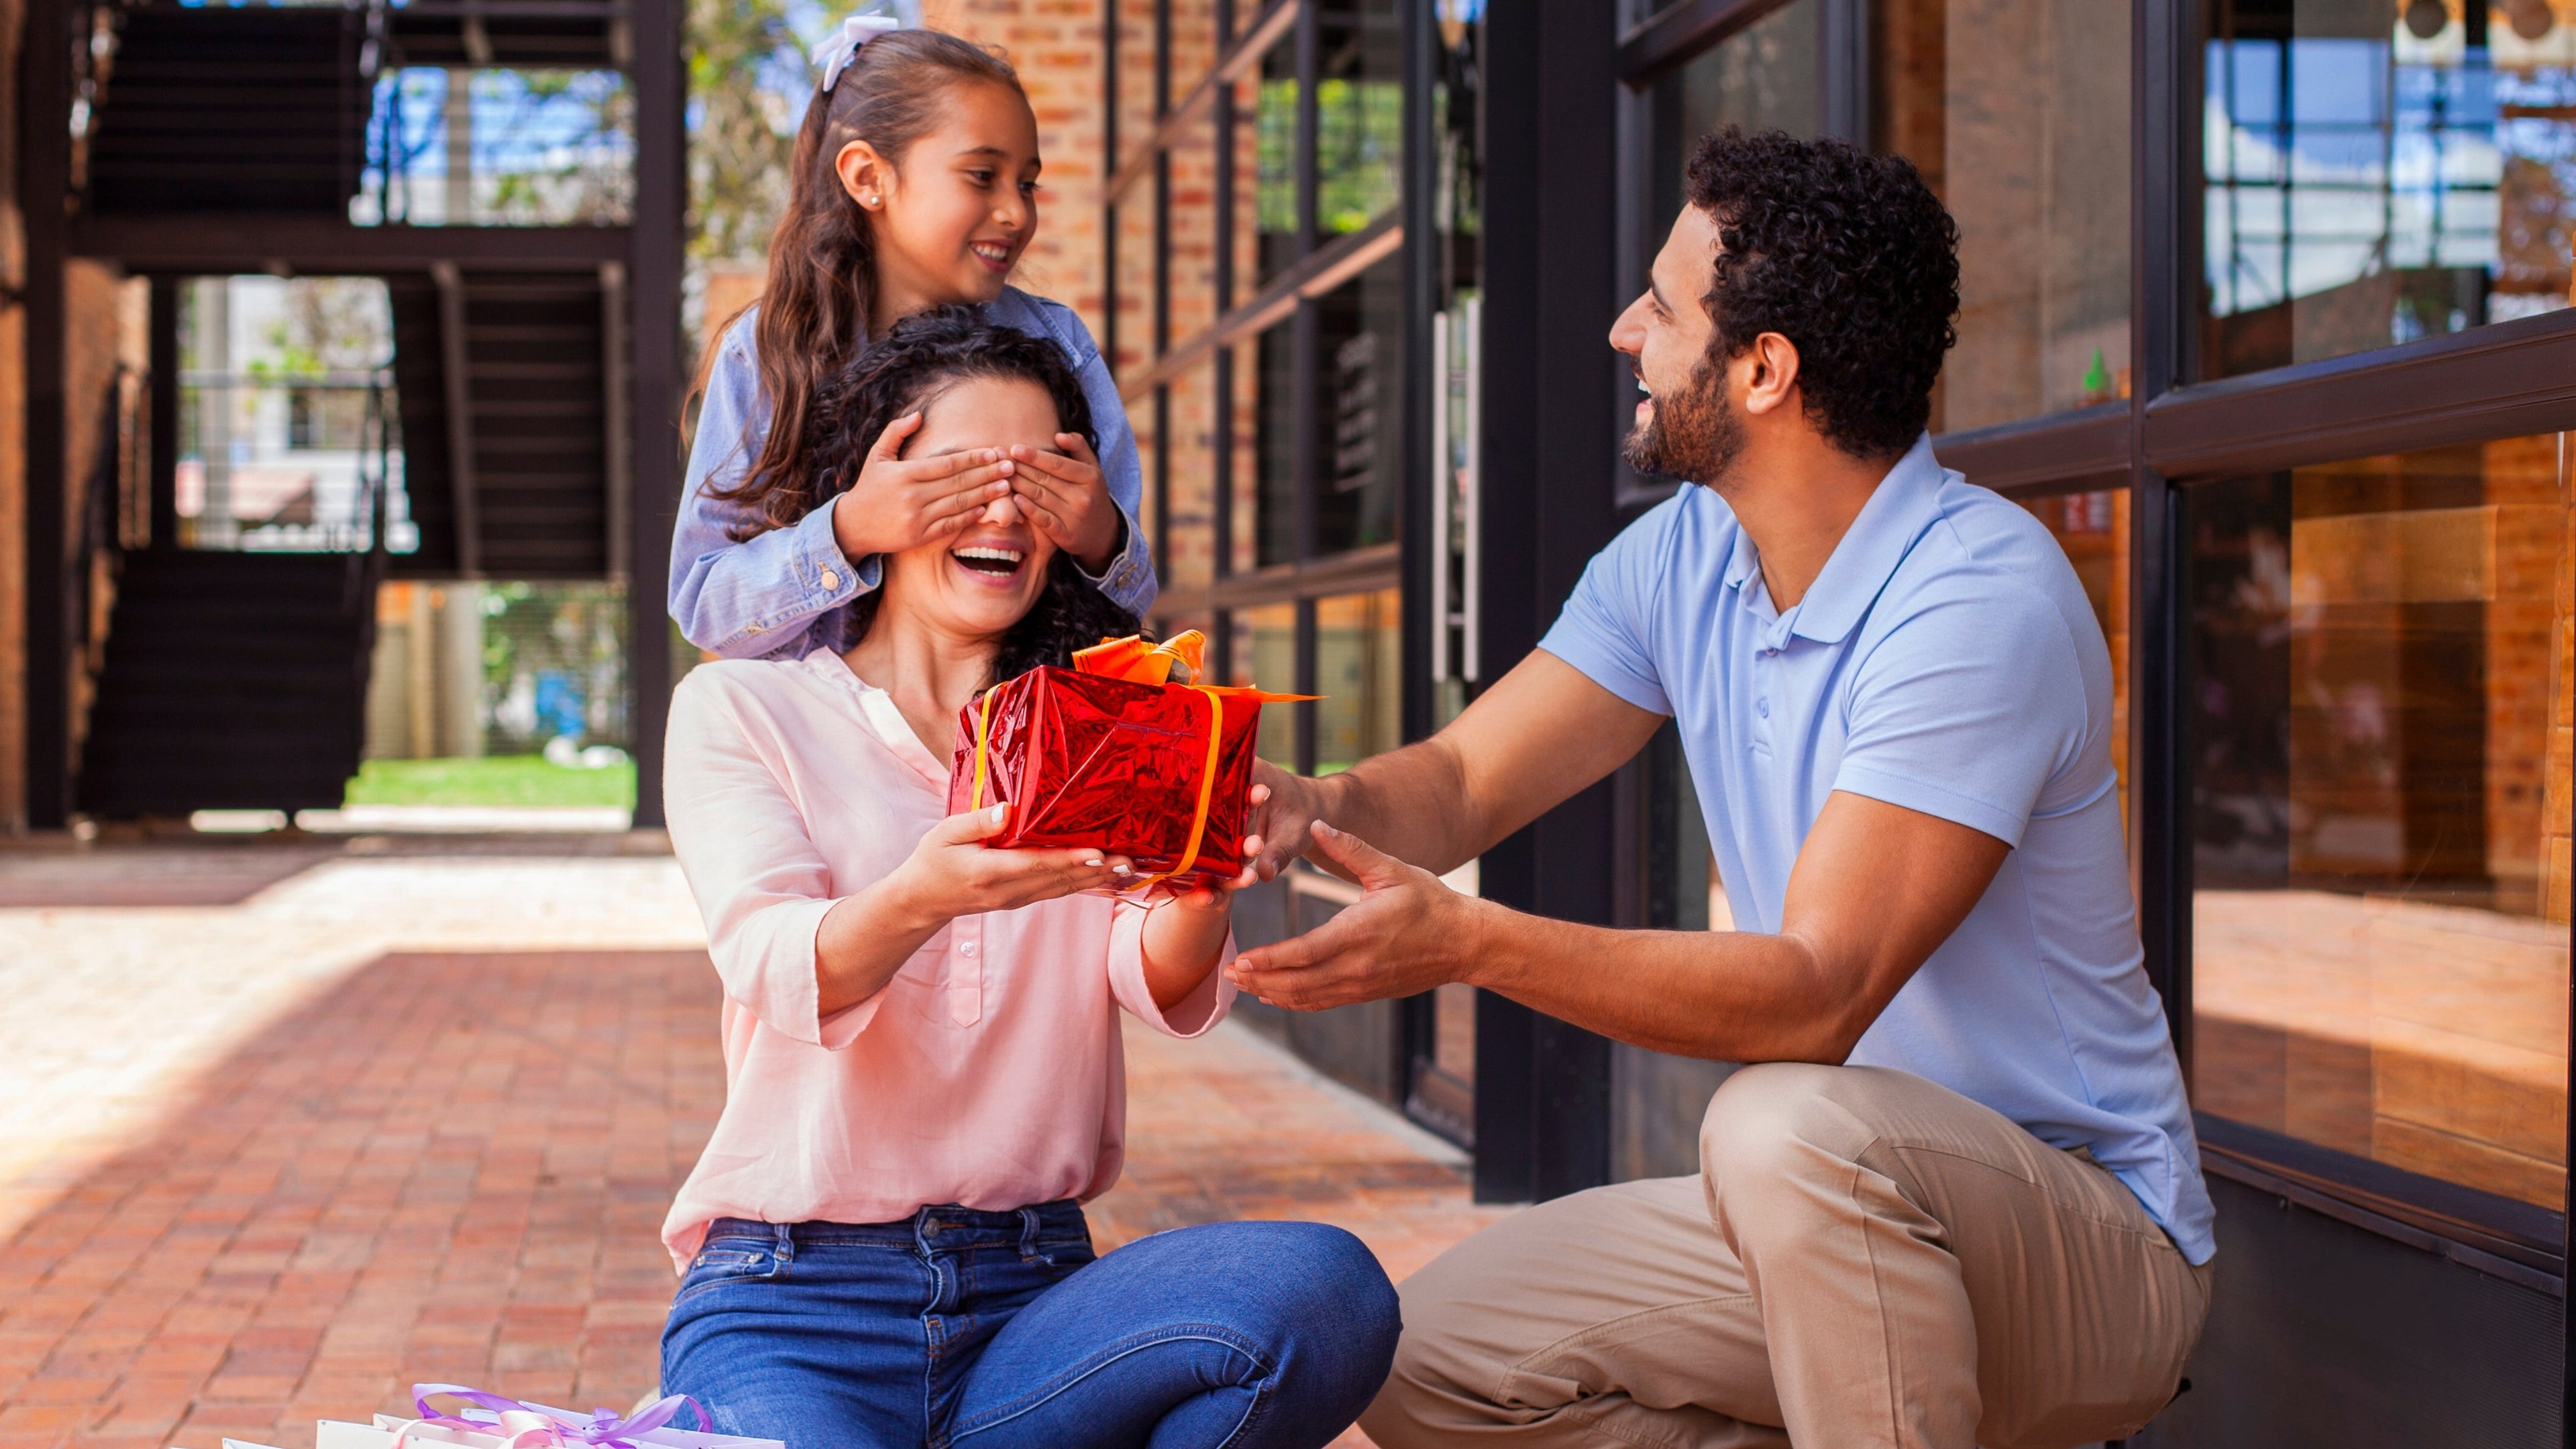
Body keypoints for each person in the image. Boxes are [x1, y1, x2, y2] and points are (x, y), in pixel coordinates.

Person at [1230, 129, 2215, 1449]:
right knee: (1434, 1358)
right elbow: (1466, 777)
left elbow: (1817, 992)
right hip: (1829, 1214)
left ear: (1764, 369)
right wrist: (1315, 800)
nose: (1625, 328)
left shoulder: (1976, 598)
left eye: (1664, 304)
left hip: (2087, 1248)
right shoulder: (1687, 556)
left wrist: (1466, 942)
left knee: (1779, 1122)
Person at [658, 309, 1399, 1448]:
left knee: (1324, 1291)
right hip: (790, 1301)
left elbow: (1149, 974)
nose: (1005, 508)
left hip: (1032, 1299)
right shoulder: (743, 708)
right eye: (963, 475)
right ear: (882, 496)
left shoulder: (1108, 725)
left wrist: (1206, 874)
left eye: (1044, 476)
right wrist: (927, 893)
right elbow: (773, 962)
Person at [669, 17, 1155, 663]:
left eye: (1027, 183)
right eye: (982, 175)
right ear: (869, 177)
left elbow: (1134, 601)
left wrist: (1102, 537)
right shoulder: (766, 353)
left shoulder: (1057, 343)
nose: (1017, 211)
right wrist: (849, 530)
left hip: (1008, 737)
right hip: (831, 747)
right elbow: (706, 606)